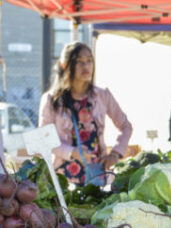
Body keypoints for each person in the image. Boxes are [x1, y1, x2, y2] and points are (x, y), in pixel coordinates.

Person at [39, 41, 133, 186]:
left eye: (89, 60)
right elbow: (44, 139)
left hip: (97, 175)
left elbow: (126, 126)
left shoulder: (102, 95)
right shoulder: (51, 99)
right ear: (65, 65)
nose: (86, 66)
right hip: (62, 176)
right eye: (79, 61)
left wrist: (115, 153)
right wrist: (72, 152)